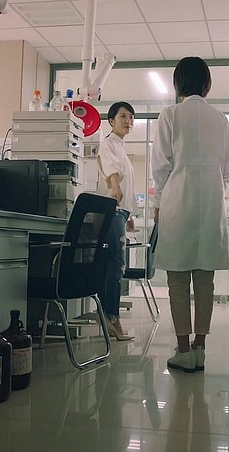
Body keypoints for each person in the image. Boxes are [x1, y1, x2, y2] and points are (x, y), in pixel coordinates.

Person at [151, 57, 229, 372]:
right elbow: (227, 170)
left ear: (177, 84)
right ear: (207, 83)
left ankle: (183, 350)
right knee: (204, 280)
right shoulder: (221, 119)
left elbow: (161, 166)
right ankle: (200, 347)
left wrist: (158, 203)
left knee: (177, 279)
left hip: (178, 201)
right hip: (211, 203)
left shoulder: (170, 114)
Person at [97, 101, 138, 341]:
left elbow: (127, 181)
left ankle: (108, 316)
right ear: (111, 121)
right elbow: (111, 170)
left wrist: (128, 215)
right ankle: (111, 317)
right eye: (123, 116)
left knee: (114, 264)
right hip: (113, 208)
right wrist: (116, 188)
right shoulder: (108, 143)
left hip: (120, 212)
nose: (128, 121)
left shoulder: (121, 146)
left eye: (131, 117)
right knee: (116, 264)